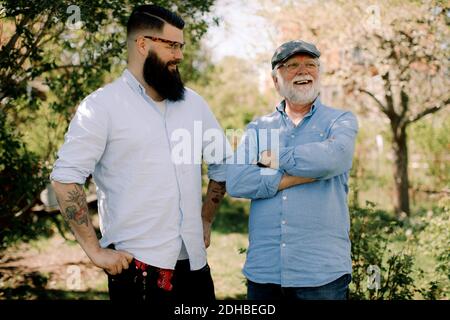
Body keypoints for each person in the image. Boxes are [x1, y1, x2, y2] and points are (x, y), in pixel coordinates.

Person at [50, 4, 229, 303]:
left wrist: (205, 221)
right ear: (142, 44)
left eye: (181, 46)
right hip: (136, 270)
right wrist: (94, 251)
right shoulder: (101, 107)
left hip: (195, 266)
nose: (179, 55)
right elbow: (65, 179)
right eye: (171, 45)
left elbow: (222, 165)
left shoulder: (195, 104)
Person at [226, 40, 358, 300]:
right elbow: (237, 181)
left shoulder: (340, 120)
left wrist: (270, 158)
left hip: (321, 274)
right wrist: (302, 174)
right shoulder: (258, 128)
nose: (303, 71)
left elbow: (334, 159)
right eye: (292, 66)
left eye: (311, 65)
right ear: (276, 81)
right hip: (265, 273)